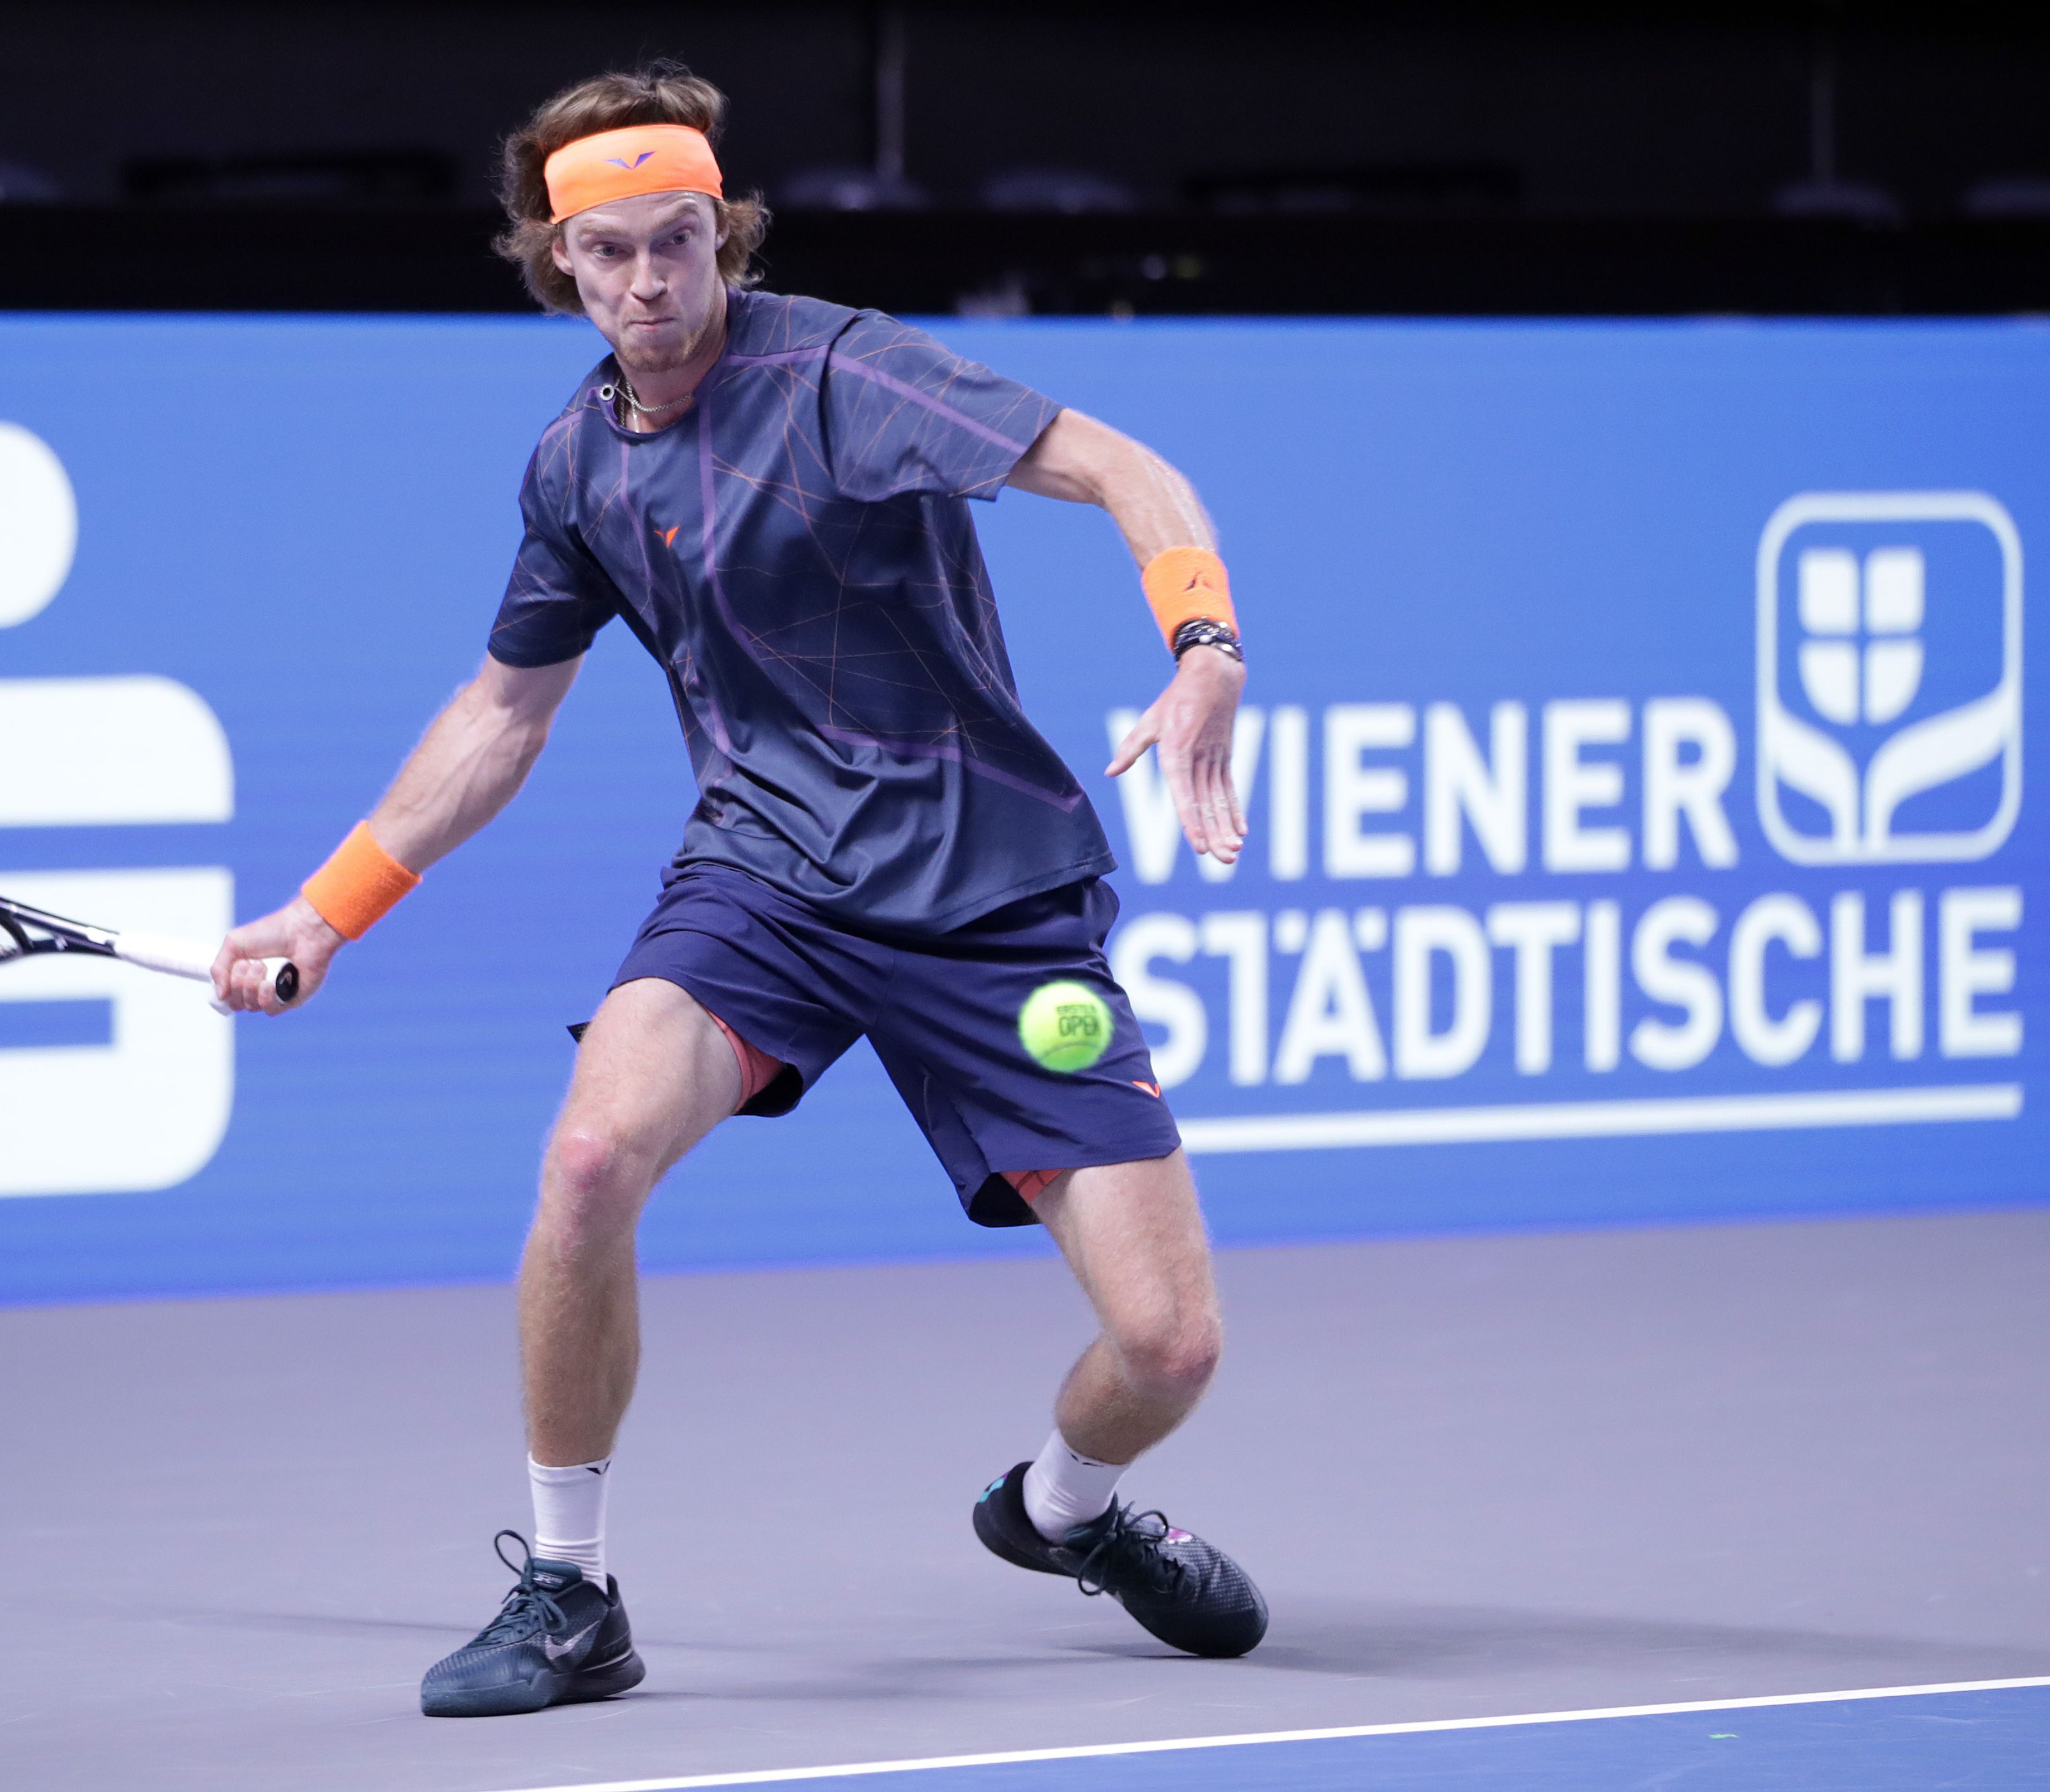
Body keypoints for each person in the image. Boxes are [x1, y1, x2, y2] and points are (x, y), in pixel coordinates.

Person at [213, 61, 1266, 1720]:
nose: (650, 283)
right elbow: (500, 716)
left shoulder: (845, 375)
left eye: (680, 242)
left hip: (989, 891)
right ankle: (572, 1594)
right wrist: (323, 910)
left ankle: (1064, 1513)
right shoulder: (576, 467)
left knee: (1170, 1348)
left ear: (725, 235)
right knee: (587, 1160)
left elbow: (1125, 470)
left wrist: (1203, 647)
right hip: (766, 877)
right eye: (610, 251)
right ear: (558, 260)